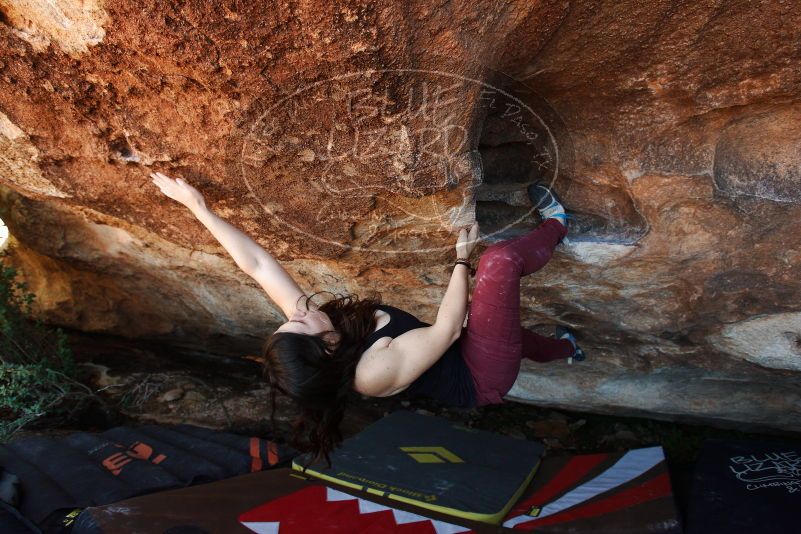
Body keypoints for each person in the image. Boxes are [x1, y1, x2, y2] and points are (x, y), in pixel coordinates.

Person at [150, 171, 585, 468]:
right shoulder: (371, 374)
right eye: (299, 324)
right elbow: (448, 328)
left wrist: (198, 208)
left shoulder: (317, 327)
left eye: (291, 319)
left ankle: (569, 348)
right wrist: (461, 260)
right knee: (500, 261)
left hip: (456, 349)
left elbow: (258, 267)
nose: (299, 311)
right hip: (479, 375)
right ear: (329, 349)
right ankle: (558, 226)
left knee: (521, 339)